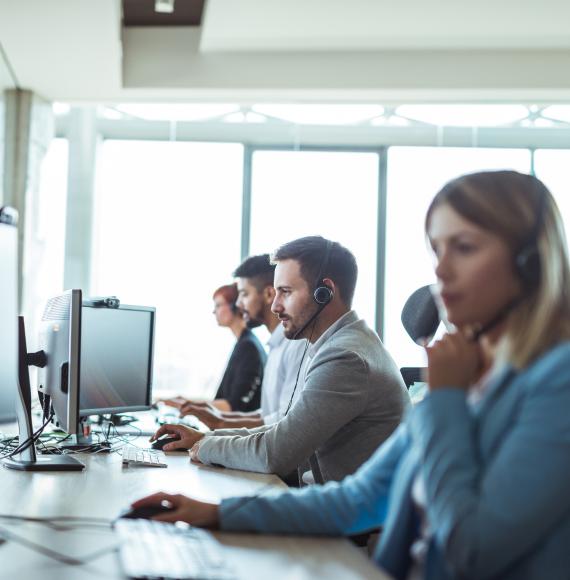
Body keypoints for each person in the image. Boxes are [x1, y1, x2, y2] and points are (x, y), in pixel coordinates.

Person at [134, 171, 570, 580]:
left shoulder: (554, 386)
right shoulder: (471, 377)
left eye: (465, 247)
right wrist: (216, 513)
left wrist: (447, 402)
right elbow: (357, 499)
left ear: (530, 263)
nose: (440, 270)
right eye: (437, 250)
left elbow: (471, 550)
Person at [150, 236, 410, 484]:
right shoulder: (344, 343)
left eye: (285, 292)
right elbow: (283, 431)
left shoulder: (345, 357)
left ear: (325, 293)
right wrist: (208, 437)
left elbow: (275, 453)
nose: (274, 306)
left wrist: (204, 445)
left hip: (349, 524)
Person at [177, 254, 306, 430]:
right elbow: (268, 415)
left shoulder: (293, 345)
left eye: (244, 294)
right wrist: (217, 418)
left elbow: (283, 423)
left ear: (268, 294)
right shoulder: (274, 346)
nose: (238, 303)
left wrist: (213, 433)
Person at [172, 283, 267, 413]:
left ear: (235, 306)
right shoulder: (243, 343)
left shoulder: (248, 347)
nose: (214, 311)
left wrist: (187, 405)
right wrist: (187, 403)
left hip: (240, 428)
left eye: (218, 305)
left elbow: (233, 406)